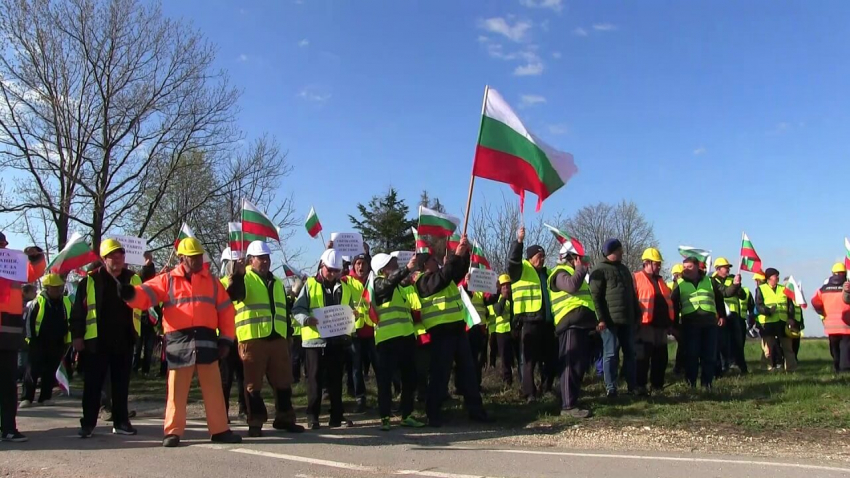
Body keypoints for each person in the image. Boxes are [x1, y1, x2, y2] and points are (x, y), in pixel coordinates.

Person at [121, 237, 241, 447]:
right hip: (179, 343)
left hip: (207, 342)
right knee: (176, 392)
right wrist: (131, 294)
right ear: (182, 257)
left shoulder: (212, 282)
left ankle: (220, 429)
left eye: (199, 257)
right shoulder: (167, 280)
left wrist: (226, 340)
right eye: (193, 257)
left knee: (214, 389)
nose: (197, 260)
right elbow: (146, 294)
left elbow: (226, 312)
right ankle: (172, 432)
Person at [225, 241, 304, 437]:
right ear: (251, 260)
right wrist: (237, 274)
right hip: (252, 339)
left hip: (277, 338)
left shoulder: (276, 281)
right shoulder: (245, 277)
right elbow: (234, 295)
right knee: (253, 384)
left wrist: (287, 335)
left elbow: (281, 309)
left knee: (283, 381)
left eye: (267, 257)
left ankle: (285, 418)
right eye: (261, 258)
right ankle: (255, 422)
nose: (266, 261)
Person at [415, 235, 490, 427]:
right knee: (440, 375)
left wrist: (463, 255)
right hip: (441, 333)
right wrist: (455, 256)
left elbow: (456, 272)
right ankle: (433, 413)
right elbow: (444, 276)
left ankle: (476, 410)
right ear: (425, 266)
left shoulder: (444, 277)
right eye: (433, 260)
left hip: (457, 330)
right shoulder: (423, 282)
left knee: (468, 372)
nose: (437, 262)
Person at [70, 238, 142, 438]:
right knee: (93, 385)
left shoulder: (134, 279)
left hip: (125, 339)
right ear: (103, 259)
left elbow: (144, 305)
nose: (117, 259)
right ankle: (88, 424)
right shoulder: (90, 280)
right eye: (112, 256)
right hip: (96, 341)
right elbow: (78, 312)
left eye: (120, 255)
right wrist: (77, 336)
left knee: (121, 385)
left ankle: (121, 422)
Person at [292, 248, 357, 429]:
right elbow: (297, 309)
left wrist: (353, 315)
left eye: (336, 271)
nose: (333, 274)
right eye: (330, 270)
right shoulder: (310, 285)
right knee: (314, 379)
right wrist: (306, 320)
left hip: (336, 341)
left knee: (336, 379)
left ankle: (337, 416)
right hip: (315, 341)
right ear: (322, 266)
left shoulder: (344, 287)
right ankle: (312, 416)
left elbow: (349, 309)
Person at [370, 253, 426, 431]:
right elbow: (388, 283)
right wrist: (407, 269)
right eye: (392, 263)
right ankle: (385, 417)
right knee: (385, 381)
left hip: (406, 338)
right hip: (387, 340)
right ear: (383, 269)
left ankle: (407, 415)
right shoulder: (378, 283)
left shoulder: (400, 287)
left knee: (410, 378)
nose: (396, 265)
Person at [0, 232, 44, 443]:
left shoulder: (14, 265)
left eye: (2, 245)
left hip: (8, 338)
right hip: (8, 337)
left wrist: (35, 256)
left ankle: (8, 428)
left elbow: (34, 271)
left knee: (8, 385)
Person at [508, 227, 557, 403]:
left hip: (547, 322)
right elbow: (513, 261)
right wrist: (519, 242)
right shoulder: (521, 270)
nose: (542, 259)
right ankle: (529, 393)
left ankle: (547, 387)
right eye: (539, 256)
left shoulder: (547, 273)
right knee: (529, 360)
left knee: (551, 358)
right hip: (528, 320)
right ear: (530, 257)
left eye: (543, 256)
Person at [589, 239, 640, 398]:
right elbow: (595, 297)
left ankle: (632, 386)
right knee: (610, 354)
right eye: (620, 249)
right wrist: (600, 319)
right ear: (612, 251)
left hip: (627, 319)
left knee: (630, 353)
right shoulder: (599, 270)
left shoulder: (624, 269)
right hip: (609, 321)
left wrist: (636, 314)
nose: (622, 252)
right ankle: (611, 388)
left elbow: (632, 294)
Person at [549, 245, 596, 418]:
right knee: (570, 365)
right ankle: (568, 406)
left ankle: (571, 400)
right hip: (569, 323)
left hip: (581, 325)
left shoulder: (578, 274)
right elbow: (571, 286)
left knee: (578, 366)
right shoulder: (559, 273)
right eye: (577, 258)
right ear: (569, 258)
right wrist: (580, 270)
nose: (581, 261)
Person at [671, 256, 727, 389]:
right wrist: (674, 325)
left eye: (689, 267)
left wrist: (722, 316)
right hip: (689, 324)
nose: (686, 270)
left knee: (709, 355)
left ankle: (707, 384)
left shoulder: (710, 281)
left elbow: (719, 299)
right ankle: (691, 384)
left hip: (709, 324)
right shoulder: (679, 284)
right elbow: (674, 305)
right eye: (684, 267)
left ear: (697, 267)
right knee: (691, 355)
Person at [21, 273, 70, 408]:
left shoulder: (65, 301)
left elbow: (69, 320)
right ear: (47, 288)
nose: (58, 290)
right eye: (54, 288)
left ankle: (45, 397)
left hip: (57, 342)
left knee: (50, 370)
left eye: (59, 287)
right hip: (38, 341)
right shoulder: (37, 302)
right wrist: (31, 339)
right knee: (32, 370)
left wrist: (67, 340)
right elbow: (29, 322)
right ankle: (27, 397)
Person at [632, 248, 674, 395]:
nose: (659, 266)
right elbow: (631, 301)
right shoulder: (636, 278)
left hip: (661, 326)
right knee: (642, 358)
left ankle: (657, 386)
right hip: (644, 326)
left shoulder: (661, 281)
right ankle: (640, 386)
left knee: (661, 358)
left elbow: (667, 303)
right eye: (656, 263)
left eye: (659, 264)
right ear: (647, 263)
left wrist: (669, 324)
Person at [343, 253, 377, 413]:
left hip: (374, 330)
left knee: (379, 366)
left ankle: (384, 398)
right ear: (353, 265)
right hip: (355, 332)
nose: (360, 266)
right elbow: (326, 276)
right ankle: (360, 399)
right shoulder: (346, 281)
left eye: (363, 263)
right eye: (357, 263)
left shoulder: (375, 281)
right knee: (356, 368)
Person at [218, 247, 246, 420]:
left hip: (243, 336)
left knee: (243, 377)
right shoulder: (219, 284)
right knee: (225, 379)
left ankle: (244, 409)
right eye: (232, 263)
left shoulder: (246, 281)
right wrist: (229, 285)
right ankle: (223, 412)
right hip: (224, 338)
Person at [754, 268, 798, 372]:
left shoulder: (784, 289)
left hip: (783, 323)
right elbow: (759, 305)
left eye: (778, 275)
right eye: (775, 276)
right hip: (768, 323)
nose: (777, 277)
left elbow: (790, 305)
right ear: (769, 278)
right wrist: (768, 311)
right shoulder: (761, 289)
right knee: (767, 349)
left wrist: (791, 318)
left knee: (788, 348)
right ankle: (767, 369)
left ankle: (791, 369)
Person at [811, 263, 850, 372]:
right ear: (845, 273)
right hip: (846, 324)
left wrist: (822, 311)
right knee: (845, 347)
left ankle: (837, 367)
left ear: (833, 273)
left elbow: (815, 302)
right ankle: (845, 370)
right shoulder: (847, 286)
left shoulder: (823, 289)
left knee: (835, 348)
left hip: (830, 325)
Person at [709, 257, 744, 376]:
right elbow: (724, 293)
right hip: (721, 316)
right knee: (722, 342)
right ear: (718, 269)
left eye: (729, 267)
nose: (728, 269)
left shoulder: (733, 278)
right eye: (726, 267)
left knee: (737, 342)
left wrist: (738, 286)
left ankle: (739, 366)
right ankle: (725, 367)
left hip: (733, 315)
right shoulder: (713, 281)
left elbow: (742, 295)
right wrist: (734, 286)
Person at [487, 274, 515, 386]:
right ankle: (507, 382)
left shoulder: (513, 298)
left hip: (512, 332)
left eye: (508, 286)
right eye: (504, 287)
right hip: (501, 332)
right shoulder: (496, 298)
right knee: (504, 359)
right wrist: (503, 297)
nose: (506, 289)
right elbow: (498, 311)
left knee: (513, 357)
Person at [133, 252, 158, 375]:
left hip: (152, 321)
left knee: (148, 349)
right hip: (139, 319)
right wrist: (146, 266)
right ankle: (134, 369)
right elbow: (144, 276)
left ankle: (145, 371)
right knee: (137, 348)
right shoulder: (138, 280)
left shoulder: (156, 284)